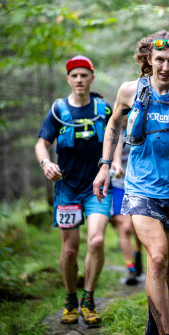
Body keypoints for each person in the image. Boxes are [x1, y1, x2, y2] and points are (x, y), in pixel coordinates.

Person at [92, 31, 169, 335]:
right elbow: (113, 126)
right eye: (159, 59)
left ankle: (154, 317)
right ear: (148, 59)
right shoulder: (129, 91)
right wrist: (106, 165)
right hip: (140, 190)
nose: (165, 66)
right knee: (158, 257)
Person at [35, 55, 121, 326]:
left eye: (84, 75)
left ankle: (89, 298)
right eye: (75, 75)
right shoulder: (58, 110)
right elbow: (41, 143)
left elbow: (115, 132)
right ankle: (70, 298)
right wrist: (46, 162)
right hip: (68, 188)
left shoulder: (103, 108)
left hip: (97, 186)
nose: (80, 80)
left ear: (92, 78)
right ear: (68, 79)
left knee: (96, 241)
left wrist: (115, 160)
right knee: (70, 251)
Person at [110, 119, 143, 286]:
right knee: (126, 226)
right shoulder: (111, 131)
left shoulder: (140, 127)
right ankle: (130, 267)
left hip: (138, 185)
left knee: (138, 226)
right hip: (117, 186)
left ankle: (138, 252)